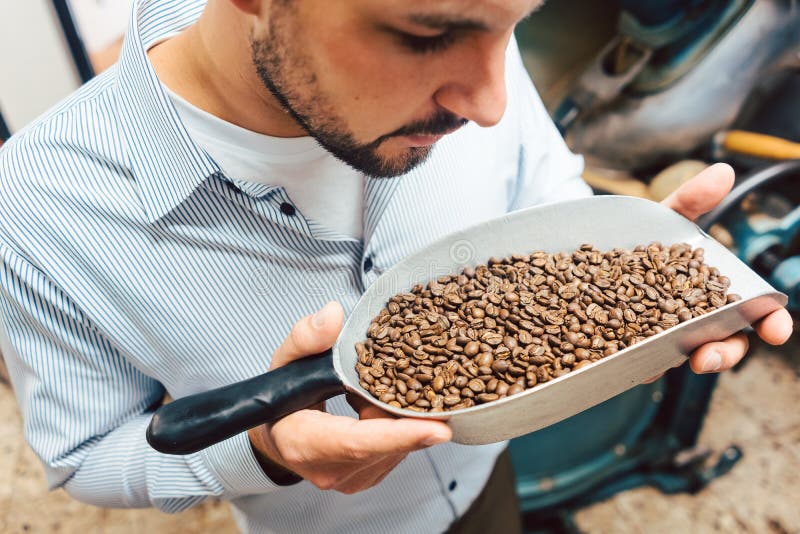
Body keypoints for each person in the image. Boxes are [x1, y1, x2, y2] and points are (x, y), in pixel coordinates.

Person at [0, 1, 792, 533]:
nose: (489, 103)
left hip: (488, 481)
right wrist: (267, 455)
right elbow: (86, 457)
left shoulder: (476, 50)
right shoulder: (35, 207)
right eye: (426, 36)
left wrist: (628, 259)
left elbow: (547, 186)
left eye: (513, 24)